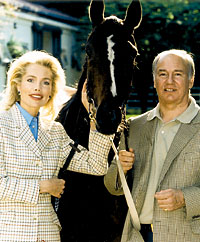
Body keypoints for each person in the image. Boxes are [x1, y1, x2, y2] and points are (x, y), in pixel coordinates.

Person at [0, 50, 113, 242]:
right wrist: (43, 187)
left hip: (48, 234)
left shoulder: (55, 131)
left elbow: (96, 165)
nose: (38, 88)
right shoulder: (2, 125)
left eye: (46, 82)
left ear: (52, 90)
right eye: (30, 80)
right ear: (17, 84)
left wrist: (93, 116)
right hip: (9, 234)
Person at [104, 49, 200, 242]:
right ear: (155, 80)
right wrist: (119, 167)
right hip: (138, 236)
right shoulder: (134, 127)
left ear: (191, 80)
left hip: (186, 236)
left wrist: (185, 197)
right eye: (162, 74)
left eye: (178, 74)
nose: (169, 81)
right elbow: (113, 187)